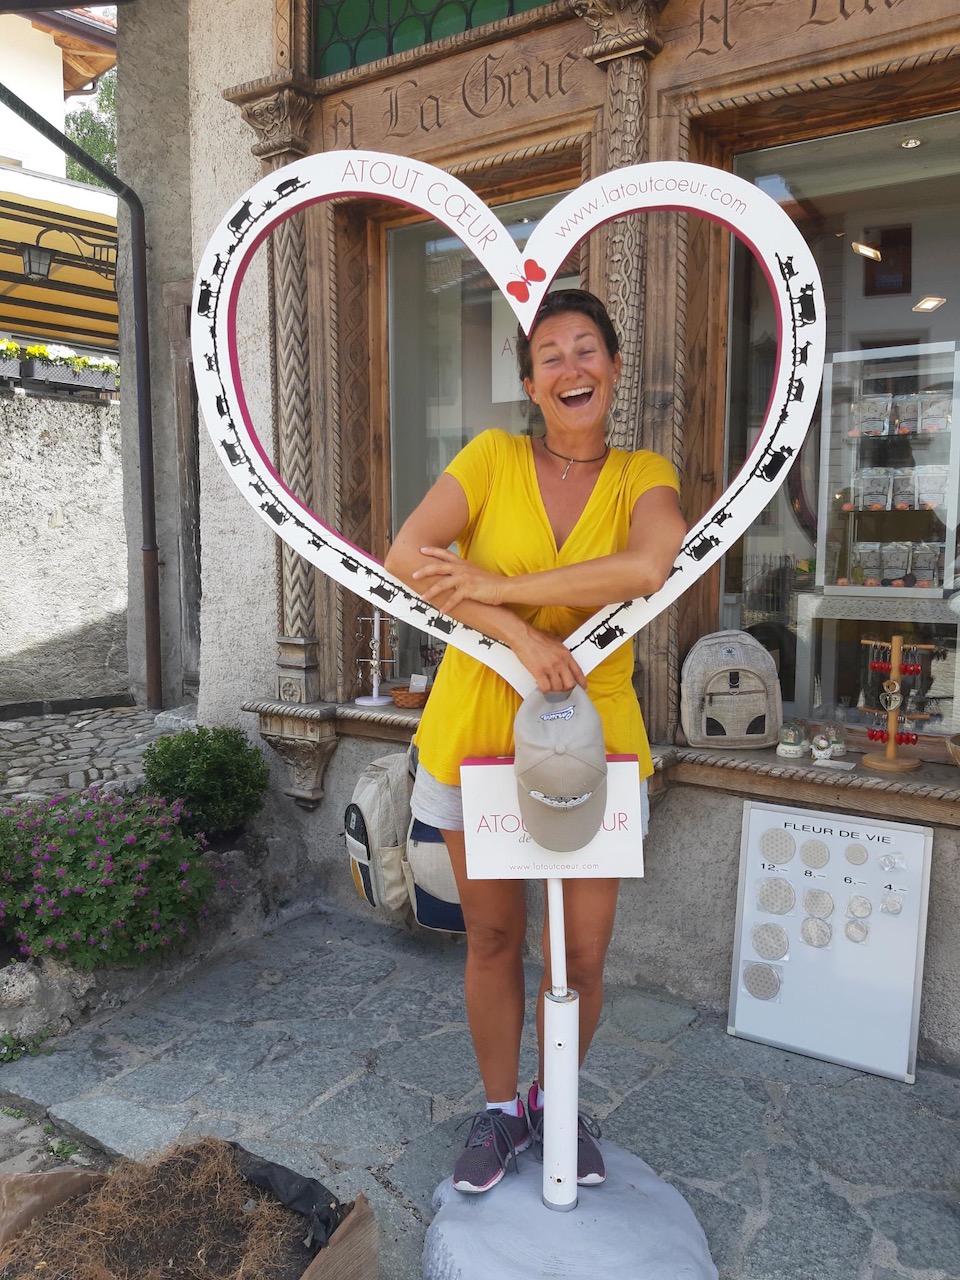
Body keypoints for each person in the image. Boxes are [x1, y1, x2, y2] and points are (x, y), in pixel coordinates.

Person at [384, 289, 686, 1194]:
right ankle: (498, 1108)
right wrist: (521, 635)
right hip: (478, 727)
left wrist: (496, 587)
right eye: (549, 355)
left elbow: (649, 565)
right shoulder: (491, 457)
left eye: (586, 349)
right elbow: (407, 556)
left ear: (615, 368)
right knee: (490, 935)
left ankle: (555, 1103)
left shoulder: (644, 474)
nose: (570, 368)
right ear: (530, 384)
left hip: (592, 742)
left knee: (581, 955)